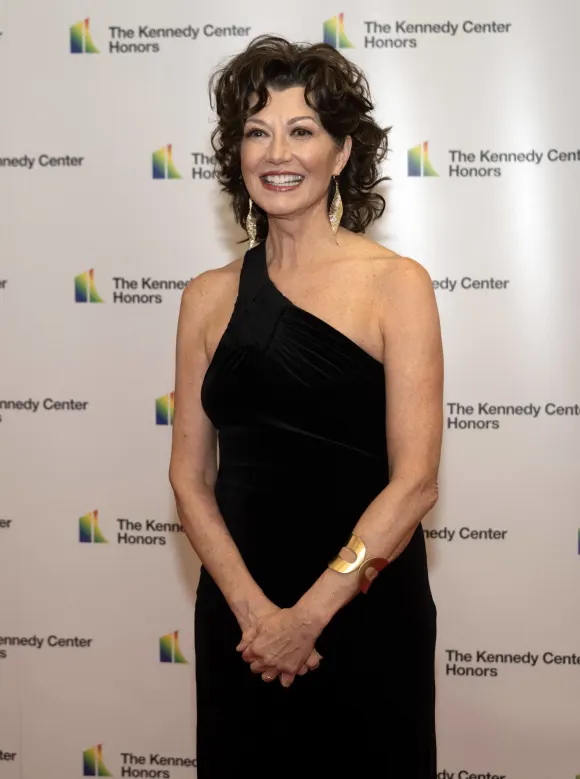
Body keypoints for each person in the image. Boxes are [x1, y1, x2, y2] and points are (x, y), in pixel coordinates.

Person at [169, 34, 443, 779]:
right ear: (236, 153)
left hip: (363, 613)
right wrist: (258, 617)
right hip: (241, 618)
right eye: (257, 131)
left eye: (302, 130)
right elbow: (189, 479)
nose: (276, 152)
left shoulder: (396, 284)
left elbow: (415, 480)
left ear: (342, 152)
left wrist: (308, 616)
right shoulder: (205, 297)